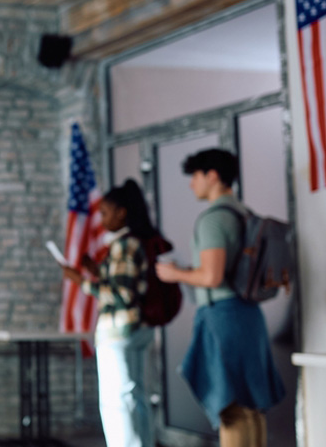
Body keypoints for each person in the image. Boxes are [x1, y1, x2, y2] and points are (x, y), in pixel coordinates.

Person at [156, 148, 285, 447]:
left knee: (231, 409)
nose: (191, 184)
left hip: (224, 317)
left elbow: (212, 277)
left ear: (212, 176)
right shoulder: (244, 213)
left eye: (195, 176)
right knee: (251, 408)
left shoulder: (213, 219)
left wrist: (176, 274)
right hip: (249, 315)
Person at [62, 179, 168, 447]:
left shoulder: (125, 244)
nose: (102, 219)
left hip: (121, 332)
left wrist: (80, 281)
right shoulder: (137, 242)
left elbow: (121, 295)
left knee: (117, 404)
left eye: (106, 213)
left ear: (122, 212)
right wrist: (96, 271)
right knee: (135, 398)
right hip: (137, 329)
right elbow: (125, 284)